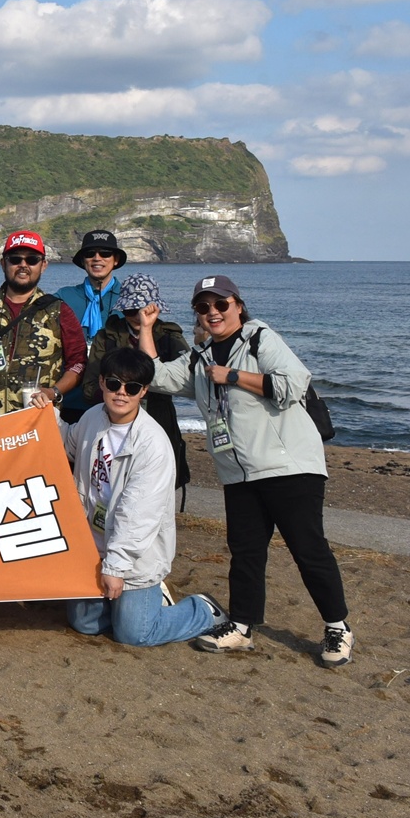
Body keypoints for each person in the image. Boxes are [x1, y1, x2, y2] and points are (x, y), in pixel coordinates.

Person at [140, 275, 353, 667]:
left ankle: (337, 627)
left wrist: (234, 376)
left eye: (221, 304)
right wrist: (147, 328)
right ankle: (241, 625)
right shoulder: (200, 357)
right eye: (203, 307)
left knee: (308, 550)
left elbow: (294, 382)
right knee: (245, 552)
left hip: (288, 467)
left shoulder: (258, 337)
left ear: (237, 305)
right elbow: (158, 378)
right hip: (238, 473)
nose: (213, 312)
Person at [60, 347, 231, 648]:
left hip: (135, 554)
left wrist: (115, 568)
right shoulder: (92, 418)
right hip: (93, 544)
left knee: (134, 634)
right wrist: (42, 412)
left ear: (144, 391)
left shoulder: (153, 445)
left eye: (132, 387)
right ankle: (132, 602)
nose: (121, 393)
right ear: (101, 383)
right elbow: (68, 442)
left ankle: (201, 610)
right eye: (114, 384)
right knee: (85, 624)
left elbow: (137, 516)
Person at [0, 231, 86, 420]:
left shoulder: (58, 310)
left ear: (43, 265)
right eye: (15, 259)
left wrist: (54, 392)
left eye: (32, 260)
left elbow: (78, 363)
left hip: (36, 420)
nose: (23, 266)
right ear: (3, 263)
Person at [80, 275, 192, 498]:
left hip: (158, 419)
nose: (138, 316)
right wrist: (117, 399)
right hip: (113, 423)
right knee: (108, 488)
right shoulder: (107, 336)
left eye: (143, 309)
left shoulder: (170, 337)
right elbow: (90, 385)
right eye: (131, 310)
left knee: (157, 488)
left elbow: (183, 381)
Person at [54, 229, 127, 423]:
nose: (97, 258)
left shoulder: (130, 300)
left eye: (105, 253)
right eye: (90, 254)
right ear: (83, 261)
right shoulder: (63, 297)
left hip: (116, 401)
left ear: (116, 260)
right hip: (70, 399)